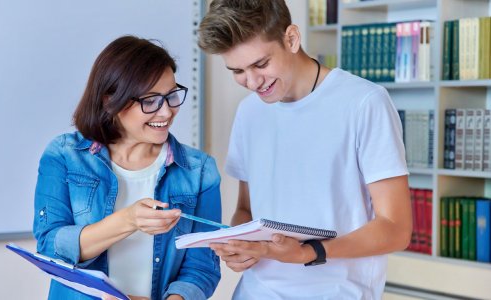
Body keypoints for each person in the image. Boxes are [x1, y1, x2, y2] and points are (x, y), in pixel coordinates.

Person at [197, 1, 412, 299]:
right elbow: (246, 209)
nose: (253, 82)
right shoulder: (249, 112)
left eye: (261, 64)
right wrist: (240, 246)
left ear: (292, 38)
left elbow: (396, 229)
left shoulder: (364, 103)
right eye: (237, 71)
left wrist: (308, 252)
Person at [33, 35, 221, 300]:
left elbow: (202, 268)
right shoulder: (65, 156)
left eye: (171, 96)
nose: (166, 112)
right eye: (151, 100)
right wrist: (128, 220)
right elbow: (50, 247)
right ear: (111, 101)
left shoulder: (198, 170)